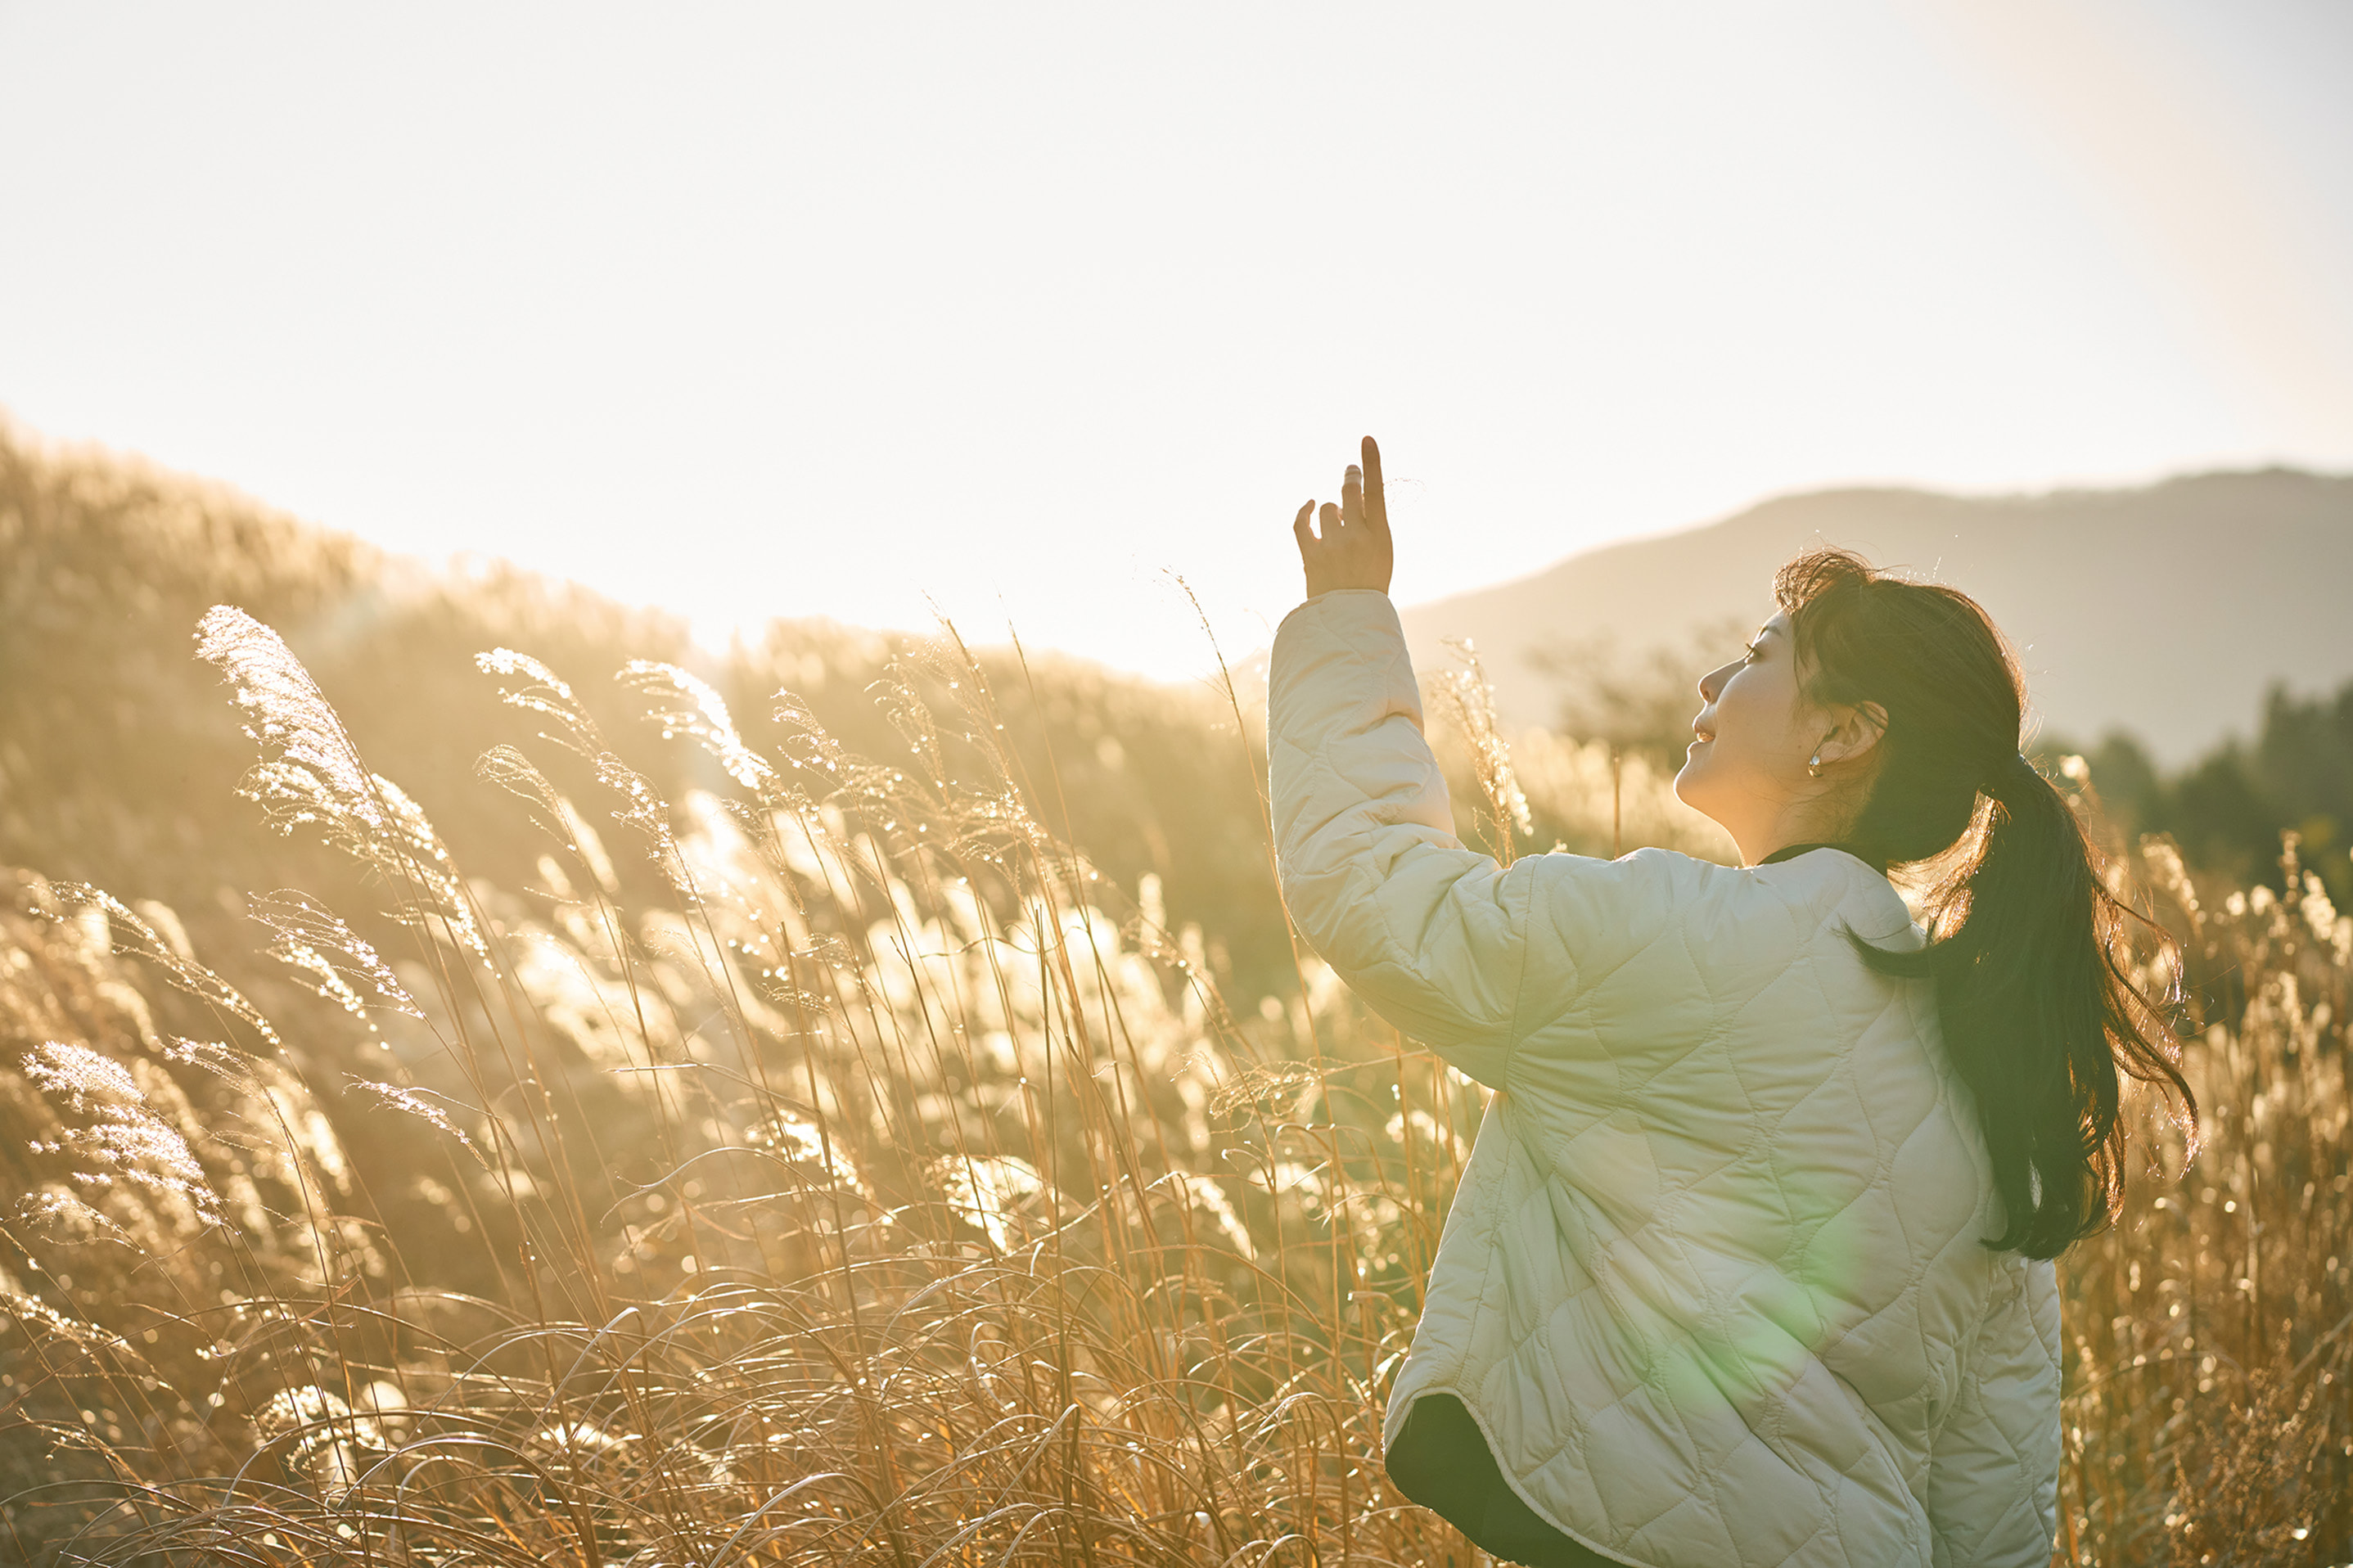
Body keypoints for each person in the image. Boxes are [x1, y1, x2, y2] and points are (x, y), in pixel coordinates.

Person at [1269, 437, 2194, 1568]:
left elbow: (1372, 888)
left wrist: (1349, 616)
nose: (1711, 683)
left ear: (1843, 734)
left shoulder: (1684, 938)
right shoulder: (1991, 1056)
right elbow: (1996, 1483)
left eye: (1758, 657)